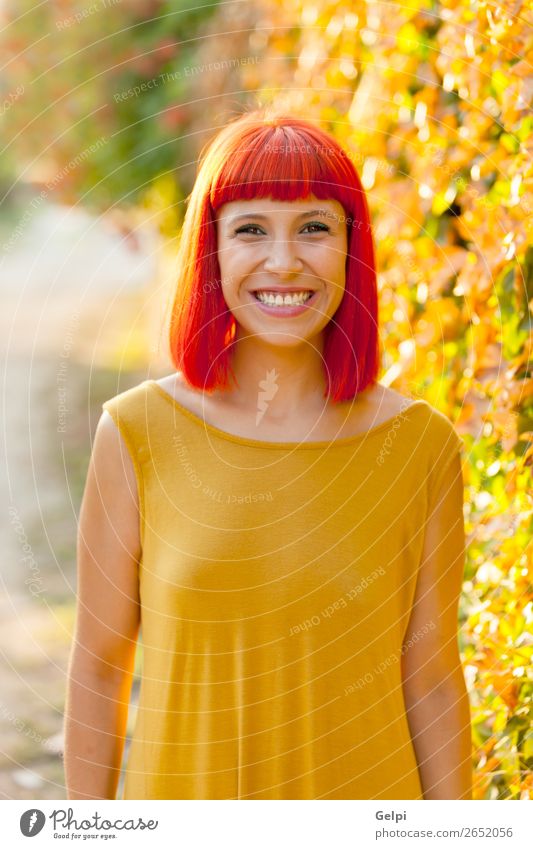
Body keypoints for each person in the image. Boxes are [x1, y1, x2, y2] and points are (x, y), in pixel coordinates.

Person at [64, 108, 473, 800]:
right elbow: (100, 668)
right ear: (211, 249)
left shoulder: (420, 447)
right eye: (250, 229)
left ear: (350, 246)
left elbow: (430, 678)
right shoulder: (135, 433)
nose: (283, 261)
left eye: (313, 227)